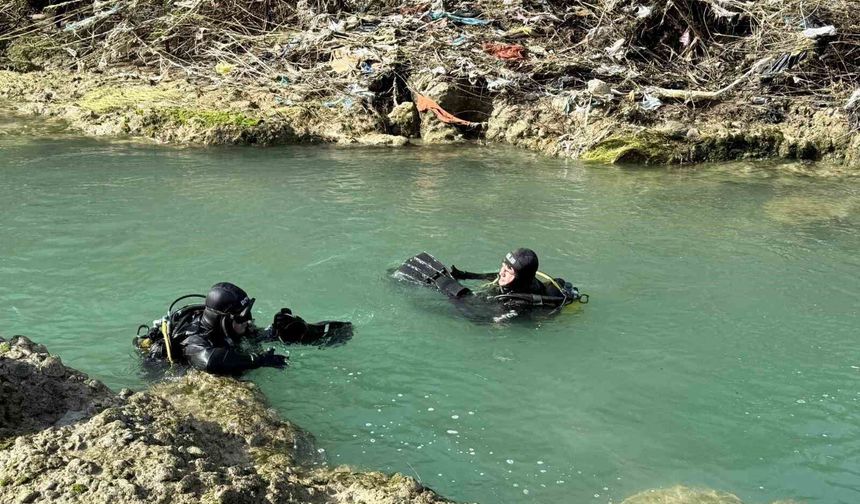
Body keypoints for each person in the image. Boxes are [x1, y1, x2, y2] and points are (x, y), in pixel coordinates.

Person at [134, 282, 352, 374]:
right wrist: (257, 361)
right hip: (166, 372)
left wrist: (280, 331)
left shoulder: (231, 327)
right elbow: (209, 361)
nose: (248, 321)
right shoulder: (194, 338)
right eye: (242, 317)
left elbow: (253, 337)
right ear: (224, 319)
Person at [394, 248, 586, 321]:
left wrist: (449, 287)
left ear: (521, 277)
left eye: (508, 271)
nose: (502, 272)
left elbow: (479, 318)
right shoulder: (521, 279)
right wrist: (466, 275)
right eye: (503, 265)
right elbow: (495, 276)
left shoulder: (516, 302)